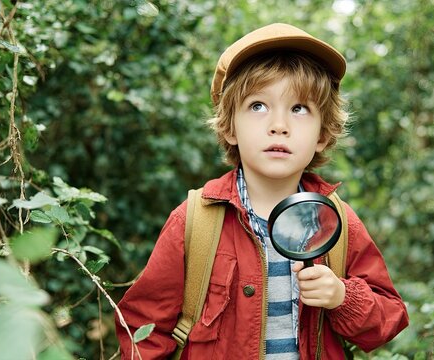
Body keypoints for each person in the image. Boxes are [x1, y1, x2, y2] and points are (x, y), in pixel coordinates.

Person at [115, 23, 409, 359]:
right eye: (258, 106)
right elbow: (141, 329)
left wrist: (342, 296)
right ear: (230, 128)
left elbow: (389, 318)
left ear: (322, 136)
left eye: (300, 109)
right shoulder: (195, 221)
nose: (279, 125)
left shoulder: (336, 222)